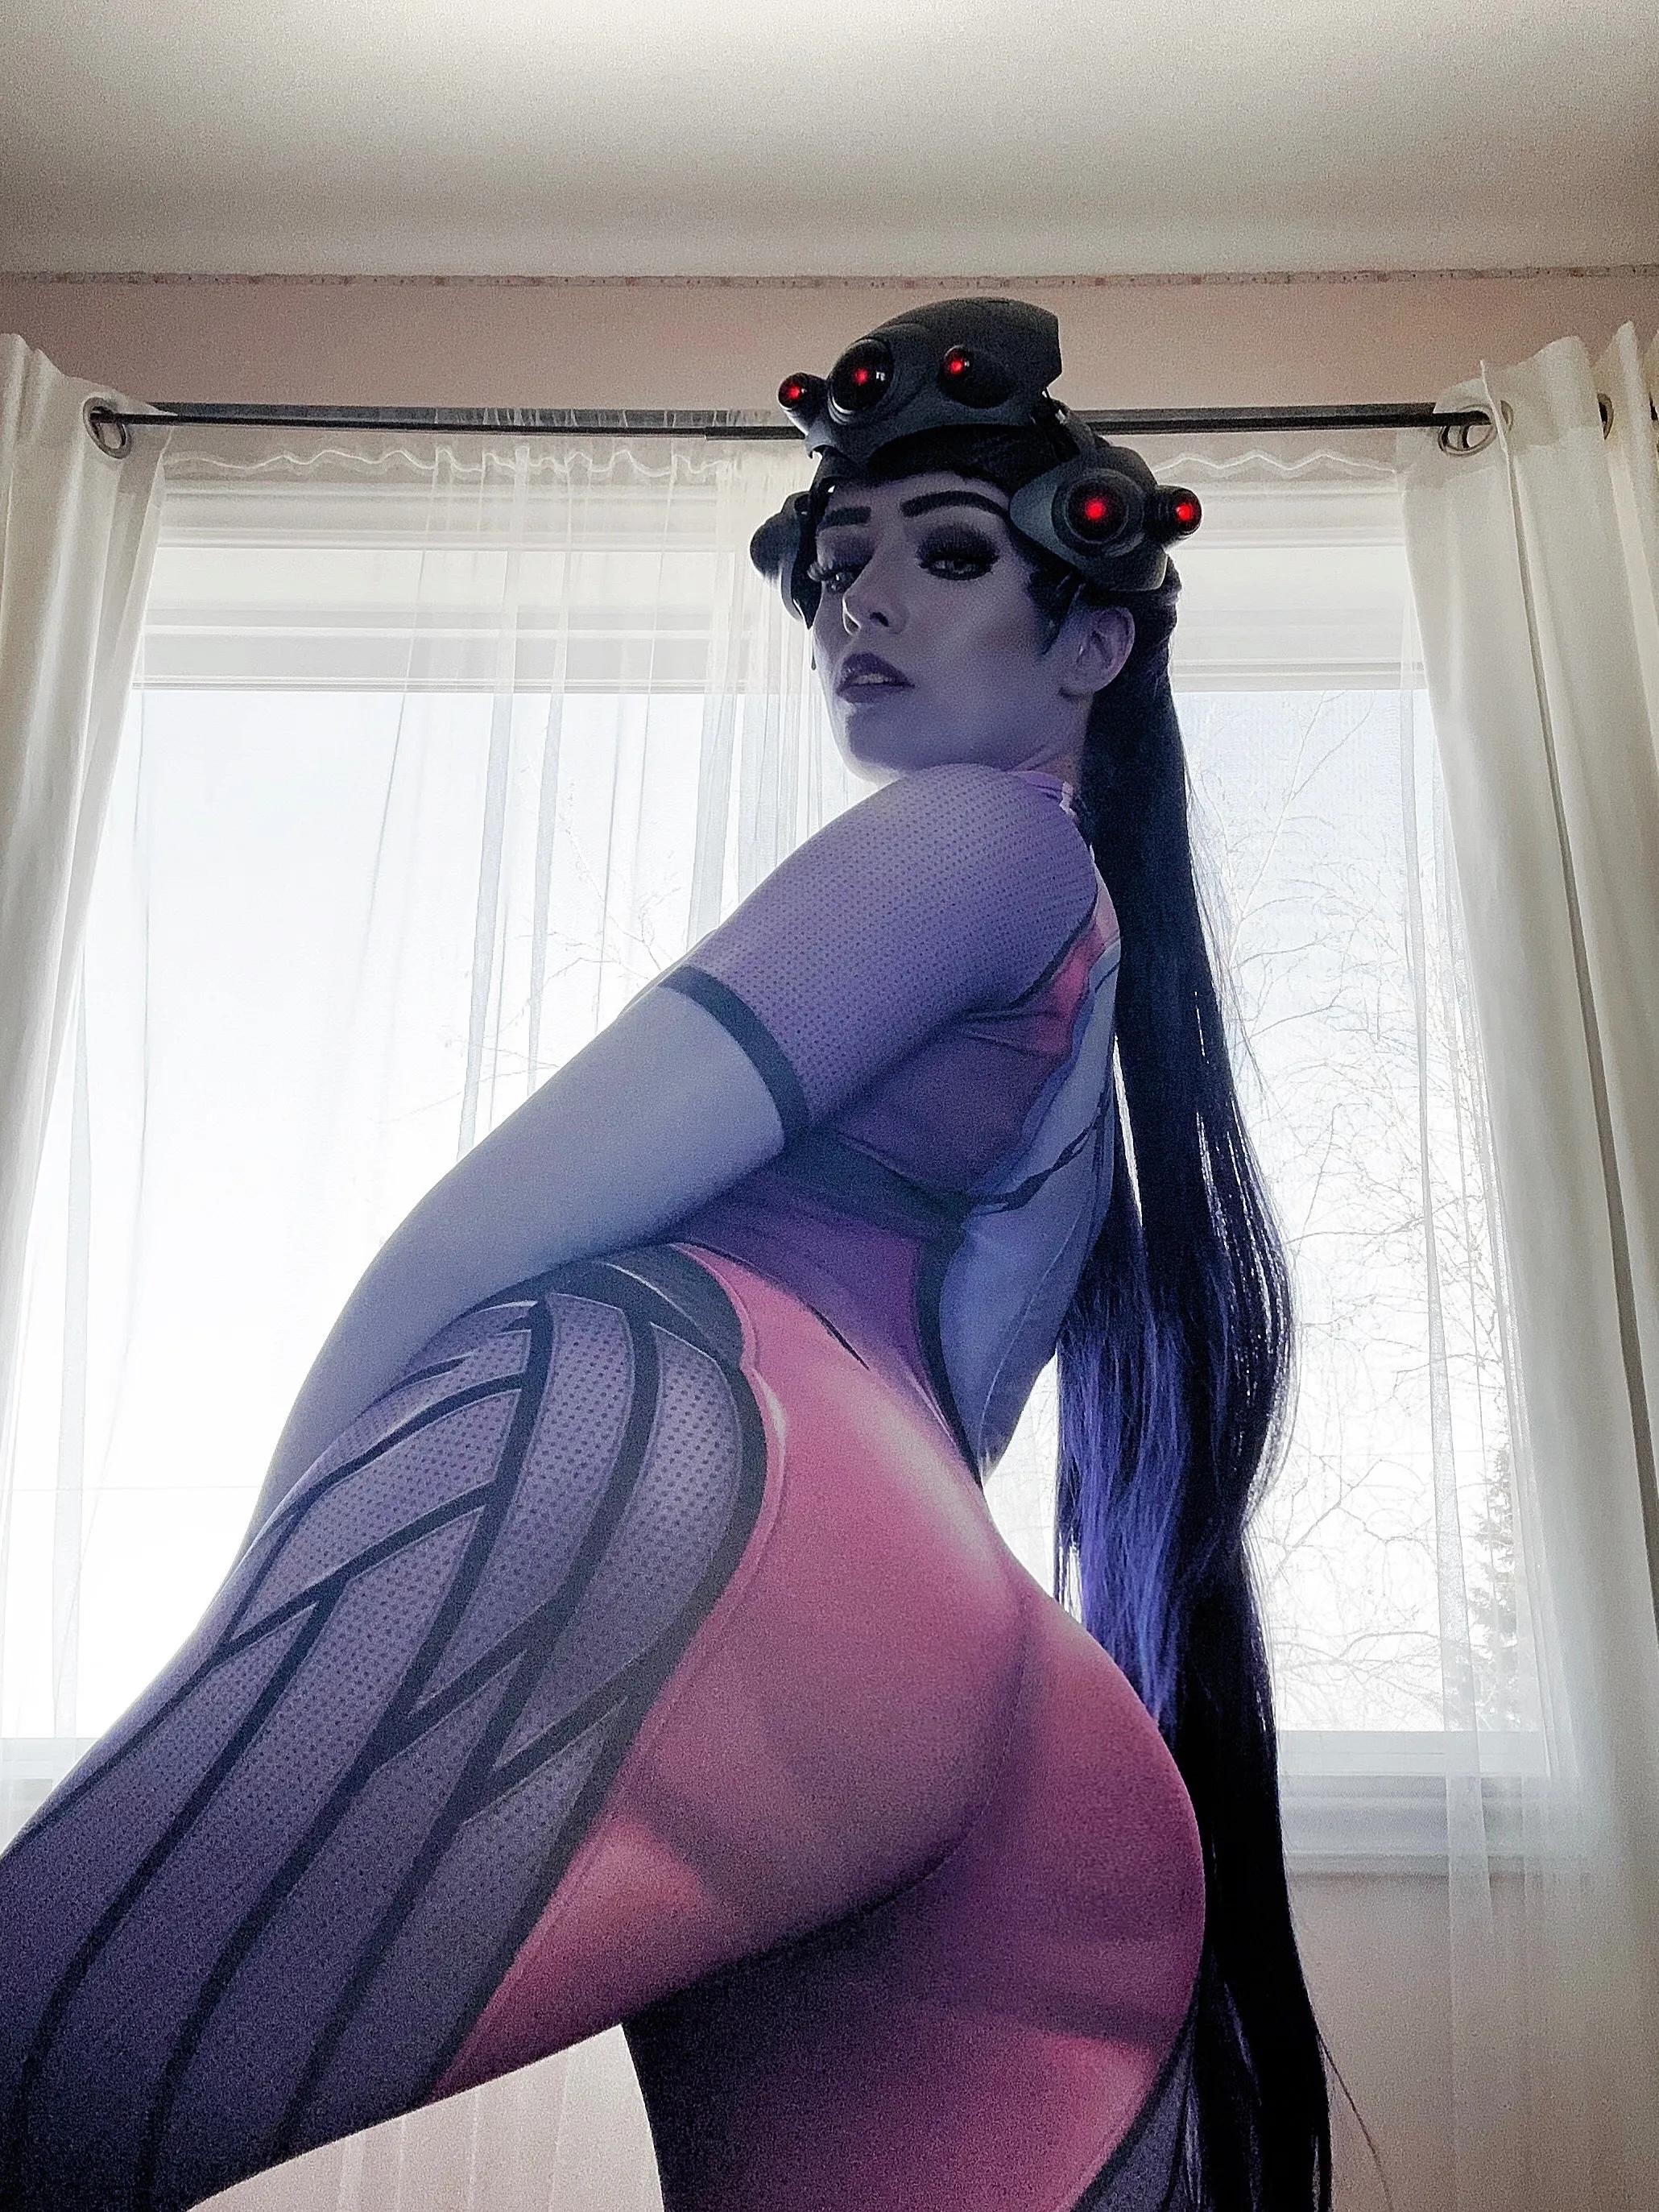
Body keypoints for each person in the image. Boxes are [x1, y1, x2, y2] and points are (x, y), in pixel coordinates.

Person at [0, 298, 1359, 2211]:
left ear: (1093, 641)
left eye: (946, 557)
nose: (860, 602)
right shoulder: (1093, 976)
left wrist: (292, 1579)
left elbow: (497, 1221)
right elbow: (963, 1405)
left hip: (730, 1466)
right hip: (1019, 1712)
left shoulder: (969, 844)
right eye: (839, 562)